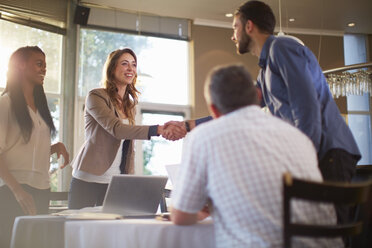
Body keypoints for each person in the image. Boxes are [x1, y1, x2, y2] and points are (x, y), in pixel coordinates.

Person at [167, 0, 360, 224]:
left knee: (328, 231)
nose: (233, 35)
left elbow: (306, 108)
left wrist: (302, 160)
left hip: (329, 152)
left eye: (234, 28)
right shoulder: (266, 70)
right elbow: (237, 111)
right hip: (315, 155)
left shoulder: (282, 48)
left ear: (249, 26)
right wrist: (189, 125)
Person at [171, 64, 343, 248]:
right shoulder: (298, 136)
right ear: (258, 96)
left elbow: (181, 217)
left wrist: (204, 209)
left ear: (213, 110)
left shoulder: (203, 137)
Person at [68, 48, 186, 209]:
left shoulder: (130, 105)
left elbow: (129, 146)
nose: (130, 68)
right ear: (112, 68)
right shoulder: (96, 96)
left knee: (110, 231)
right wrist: (157, 130)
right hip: (88, 178)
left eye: (134, 64)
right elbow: (117, 129)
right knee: (78, 229)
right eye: (124, 64)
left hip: (114, 180)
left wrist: (128, 178)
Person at [0, 46, 69, 248]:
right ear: (20, 66)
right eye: (39, 64)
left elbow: (24, 149)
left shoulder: (41, 109)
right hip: (12, 191)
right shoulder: (5, 103)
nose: (44, 69)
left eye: (45, 65)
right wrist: (17, 190)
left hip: (41, 188)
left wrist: (54, 147)